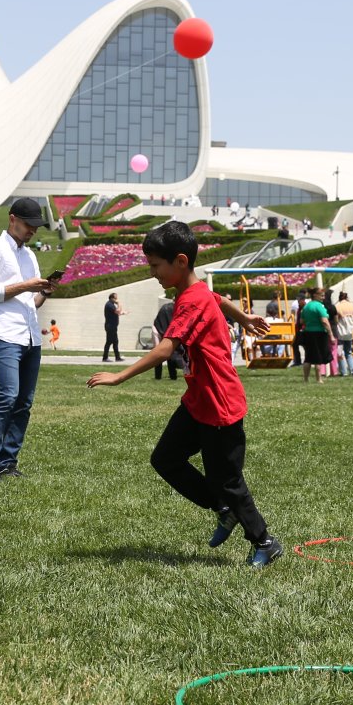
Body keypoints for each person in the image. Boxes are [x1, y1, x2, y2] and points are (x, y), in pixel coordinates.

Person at [87, 221, 282, 568]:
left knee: (230, 481)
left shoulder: (191, 300)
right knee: (165, 459)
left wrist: (119, 377)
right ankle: (223, 509)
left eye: (155, 266)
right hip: (198, 401)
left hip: (220, 403)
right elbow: (217, 298)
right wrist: (246, 317)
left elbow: (165, 349)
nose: (152, 273)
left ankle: (264, 541)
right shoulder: (194, 291)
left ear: (179, 261)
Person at [0, 197, 56, 480]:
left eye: (36, 226)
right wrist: (26, 285)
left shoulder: (29, 255)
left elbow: (31, 302)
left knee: (24, 402)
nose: (32, 231)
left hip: (31, 336)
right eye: (28, 225)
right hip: (4, 334)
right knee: (6, 398)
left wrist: (44, 291)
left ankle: (8, 461)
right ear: (12, 219)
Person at [297, 286, 332, 383]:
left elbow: (301, 321)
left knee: (308, 357)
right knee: (318, 357)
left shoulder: (306, 306)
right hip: (319, 334)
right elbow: (324, 321)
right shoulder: (319, 306)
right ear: (315, 295)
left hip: (307, 333)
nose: (323, 297)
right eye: (321, 295)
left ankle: (306, 379)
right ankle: (319, 379)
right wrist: (331, 335)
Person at [152, 296, 184, 380]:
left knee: (158, 354)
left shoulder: (165, 307)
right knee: (169, 352)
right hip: (166, 332)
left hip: (157, 330)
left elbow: (157, 320)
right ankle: (173, 375)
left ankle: (158, 376)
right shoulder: (176, 308)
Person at [101, 292, 125, 362]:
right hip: (110, 326)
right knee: (109, 342)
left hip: (113, 326)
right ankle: (105, 358)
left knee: (115, 342)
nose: (116, 299)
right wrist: (119, 303)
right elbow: (118, 310)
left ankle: (117, 357)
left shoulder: (111, 305)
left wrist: (122, 313)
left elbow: (116, 313)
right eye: (115, 298)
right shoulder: (109, 305)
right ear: (111, 298)